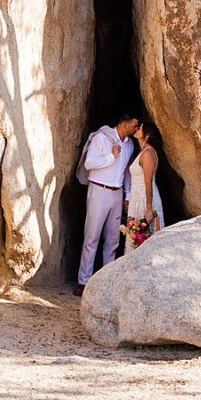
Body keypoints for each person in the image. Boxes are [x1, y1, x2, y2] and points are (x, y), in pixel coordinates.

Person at [74, 112, 139, 292]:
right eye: (134, 126)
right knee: (91, 236)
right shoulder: (101, 138)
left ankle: (106, 282)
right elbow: (89, 163)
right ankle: (83, 281)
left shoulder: (130, 145)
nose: (136, 129)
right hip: (98, 190)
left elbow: (126, 172)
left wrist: (127, 195)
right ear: (125, 124)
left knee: (113, 239)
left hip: (116, 193)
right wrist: (111, 157)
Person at [124, 120, 165, 253]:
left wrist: (148, 209)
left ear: (146, 135)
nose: (137, 129)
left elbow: (148, 182)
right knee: (136, 238)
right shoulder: (142, 151)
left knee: (146, 238)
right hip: (137, 198)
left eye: (140, 128)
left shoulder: (148, 153)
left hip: (144, 199)